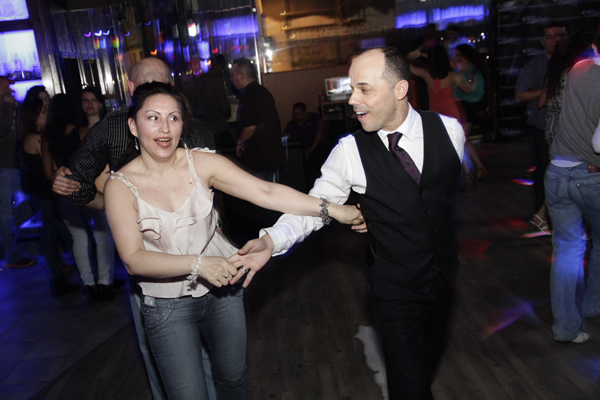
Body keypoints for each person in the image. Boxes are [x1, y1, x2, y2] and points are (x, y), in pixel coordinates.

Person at [231, 46, 466, 400]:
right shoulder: (349, 152)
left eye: (364, 89)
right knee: (411, 387)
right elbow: (314, 207)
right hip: (394, 288)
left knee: (422, 369)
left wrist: (387, 213)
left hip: (445, 280)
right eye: (352, 88)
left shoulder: (450, 131)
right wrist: (271, 240)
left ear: (400, 89)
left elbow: (439, 196)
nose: (352, 100)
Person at [103, 82, 362, 400]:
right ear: (133, 125)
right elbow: (133, 259)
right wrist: (198, 264)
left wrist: (333, 209)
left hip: (223, 291)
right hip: (167, 304)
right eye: (153, 118)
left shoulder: (202, 163)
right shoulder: (120, 186)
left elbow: (266, 191)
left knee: (233, 380)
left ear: (183, 124)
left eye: (174, 118)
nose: (165, 128)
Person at [50, 57, 215, 400]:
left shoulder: (192, 127)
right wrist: (107, 199)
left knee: (196, 344)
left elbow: (218, 190)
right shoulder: (112, 127)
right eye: (145, 86)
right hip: (145, 257)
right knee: (159, 346)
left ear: (172, 87)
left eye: (161, 86)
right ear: (130, 87)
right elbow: (76, 184)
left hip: (198, 252)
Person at [544, 31, 600, 344]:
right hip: (590, 175)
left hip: (557, 172)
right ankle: (593, 304)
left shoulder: (578, 69)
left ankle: (566, 327)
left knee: (567, 250)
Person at [43, 89, 117, 303]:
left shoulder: (48, 137)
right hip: (89, 190)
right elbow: (100, 161)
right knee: (102, 235)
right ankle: (105, 282)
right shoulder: (84, 132)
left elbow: (48, 173)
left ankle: (88, 284)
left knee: (79, 239)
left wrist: (60, 174)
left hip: (64, 192)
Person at [19, 96, 78, 295]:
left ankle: (59, 279)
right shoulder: (37, 138)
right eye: (43, 112)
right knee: (66, 234)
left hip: (41, 194)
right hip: (44, 196)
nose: (48, 115)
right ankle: (84, 275)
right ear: (35, 117)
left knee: (50, 236)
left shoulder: (35, 136)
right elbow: (51, 169)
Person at [515, 22, 569, 233]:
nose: (554, 40)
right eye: (549, 36)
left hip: (570, 127)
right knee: (545, 171)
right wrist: (548, 89)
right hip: (543, 126)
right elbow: (520, 95)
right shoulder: (535, 65)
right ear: (542, 41)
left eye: (558, 35)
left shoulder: (573, 62)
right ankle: (542, 214)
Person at [409, 45, 476, 184]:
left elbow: (406, 67)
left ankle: (446, 176)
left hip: (435, 114)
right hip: (452, 112)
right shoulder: (454, 76)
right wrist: (472, 81)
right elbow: (469, 90)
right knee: (458, 143)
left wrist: (414, 55)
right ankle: (467, 172)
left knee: (439, 146)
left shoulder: (427, 74)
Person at [0, 75, 36, 268]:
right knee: (5, 214)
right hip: (3, 169)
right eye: (5, 88)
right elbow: (3, 129)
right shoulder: (5, 109)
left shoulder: (12, 107)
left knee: (35, 201)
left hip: (16, 166)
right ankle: (12, 256)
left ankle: (7, 232)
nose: (9, 92)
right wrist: (7, 105)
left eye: (9, 88)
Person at [231, 57, 283, 182]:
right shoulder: (262, 92)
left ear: (241, 76)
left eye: (233, 75)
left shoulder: (249, 96)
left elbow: (250, 127)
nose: (231, 78)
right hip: (269, 156)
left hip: (259, 158)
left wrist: (239, 142)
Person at [454, 43, 488, 180]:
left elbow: (472, 91)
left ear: (465, 57)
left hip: (468, 107)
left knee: (462, 139)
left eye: (457, 55)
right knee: (463, 139)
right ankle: (475, 168)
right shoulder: (466, 71)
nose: (455, 58)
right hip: (466, 107)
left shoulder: (470, 72)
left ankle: (473, 169)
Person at [283, 102, 329, 186]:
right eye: (294, 114)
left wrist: (312, 148)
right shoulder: (292, 124)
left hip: (316, 149)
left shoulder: (314, 118)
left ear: (305, 112)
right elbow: (285, 139)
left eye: (298, 114)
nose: (296, 117)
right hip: (299, 152)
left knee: (311, 159)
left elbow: (321, 129)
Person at [195, 54, 233, 150]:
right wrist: (227, 111)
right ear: (219, 65)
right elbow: (222, 102)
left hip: (204, 124)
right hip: (218, 125)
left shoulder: (200, 80)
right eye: (223, 66)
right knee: (229, 151)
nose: (223, 70)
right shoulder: (216, 80)